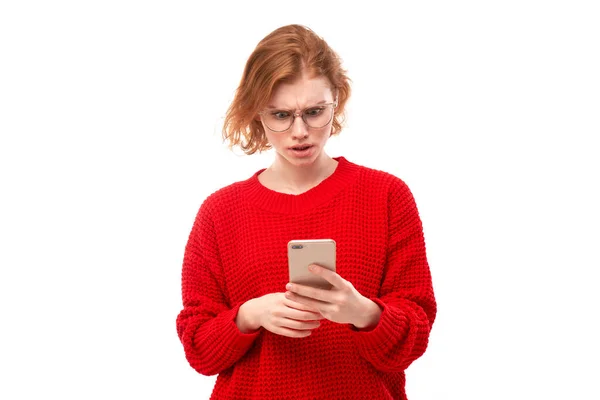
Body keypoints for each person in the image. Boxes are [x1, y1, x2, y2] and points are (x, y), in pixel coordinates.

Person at [176, 24, 436, 400]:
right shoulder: (220, 212)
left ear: (338, 101)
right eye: (280, 115)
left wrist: (364, 313)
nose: (300, 131)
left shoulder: (386, 196)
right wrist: (248, 315)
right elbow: (198, 349)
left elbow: (416, 335)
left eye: (315, 112)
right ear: (256, 114)